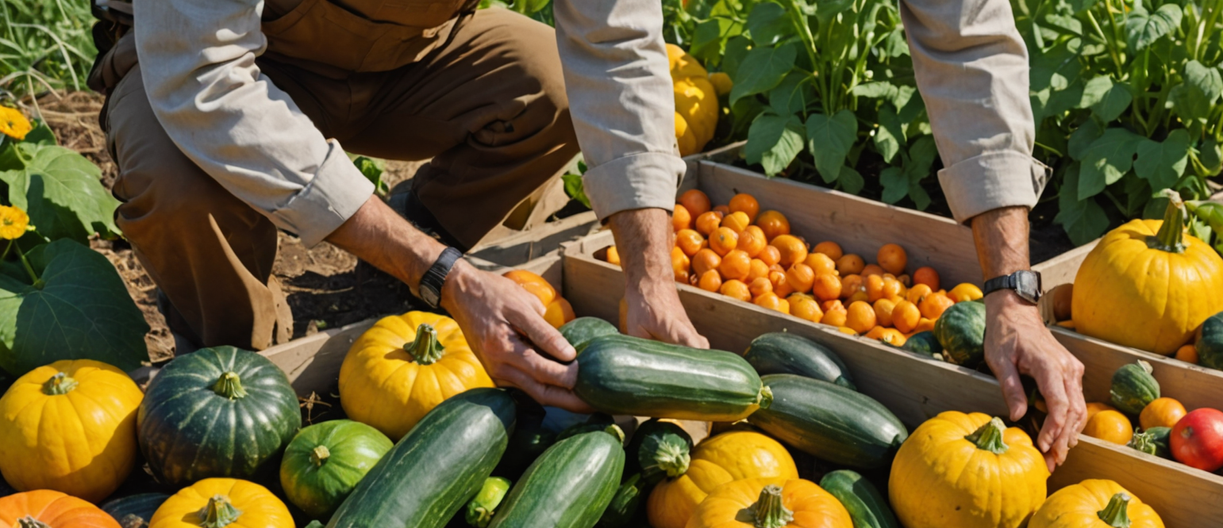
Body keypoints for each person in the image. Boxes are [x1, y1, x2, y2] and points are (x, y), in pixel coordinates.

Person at [90, 0, 1086, 465]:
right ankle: (239, 382)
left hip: (408, 47)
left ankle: (391, 272)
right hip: (208, 62)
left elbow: (612, 47)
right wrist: (448, 275)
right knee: (181, 183)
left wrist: (1011, 289)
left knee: (553, 87)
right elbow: (204, 79)